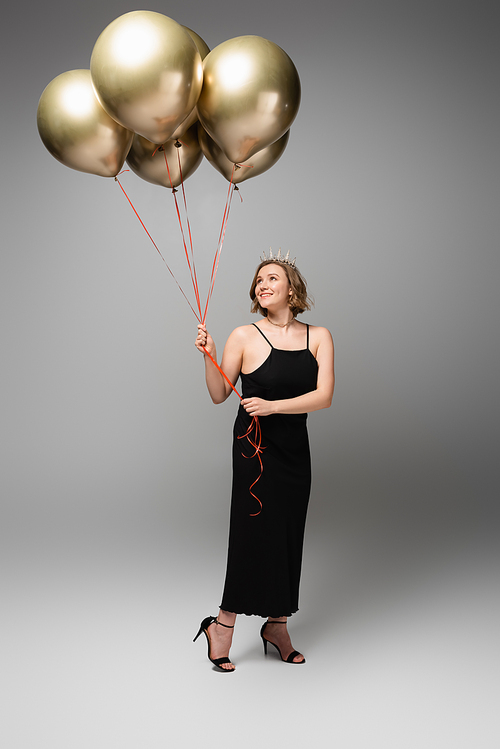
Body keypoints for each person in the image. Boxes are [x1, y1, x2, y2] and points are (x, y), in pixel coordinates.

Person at [193, 251, 334, 671]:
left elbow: (323, 396)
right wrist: (210, 353)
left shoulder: (319, 336)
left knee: (289, 533)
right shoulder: (243, 335)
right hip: (253, 451)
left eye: (272, 278)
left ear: (292, 288)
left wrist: (273, 407)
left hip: (294, 451)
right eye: (258, 281)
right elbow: (220, 394)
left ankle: (277, 625)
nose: (263, 285)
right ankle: (223, 625)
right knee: (252, 533)